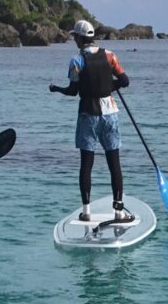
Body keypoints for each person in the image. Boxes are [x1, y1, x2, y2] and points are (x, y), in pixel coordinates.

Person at [49, 20, 132, 223]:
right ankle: (119, 211)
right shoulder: (110, 55)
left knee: (87, 164)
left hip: (88, 115)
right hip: (110, 113)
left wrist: (56, 89)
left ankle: (86, 212)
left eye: (74, 37)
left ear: (79, 38)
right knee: (114, 163)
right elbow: (124, 81)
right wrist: (107, 86)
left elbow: (73, 91)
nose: (74, 40)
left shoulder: (77, 61)